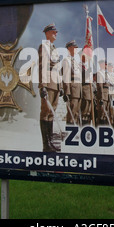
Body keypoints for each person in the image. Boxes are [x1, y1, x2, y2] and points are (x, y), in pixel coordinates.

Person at [38, 23, 63, 152]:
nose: (56, 34)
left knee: (51, 114)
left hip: (56, 84)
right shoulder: (44, 47)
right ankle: (45, 144)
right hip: (48, 84)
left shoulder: (54, 49)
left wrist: (61, 85)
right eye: (53, 32)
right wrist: (43, 86)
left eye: (56, 32)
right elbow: (43, 66)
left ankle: (50, 143)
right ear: (47, 33)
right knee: (45, 113)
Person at [62, 40, 82, 125]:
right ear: (69, 48)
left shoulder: (76, 62)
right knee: (72, 112)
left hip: (78, 90)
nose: (76, 50)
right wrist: (67, 92)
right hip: (72, 90)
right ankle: (70, 132)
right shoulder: (67, 60)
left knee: (76, 113)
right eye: (74, 48)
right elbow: (66, 77)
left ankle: (75, 131)